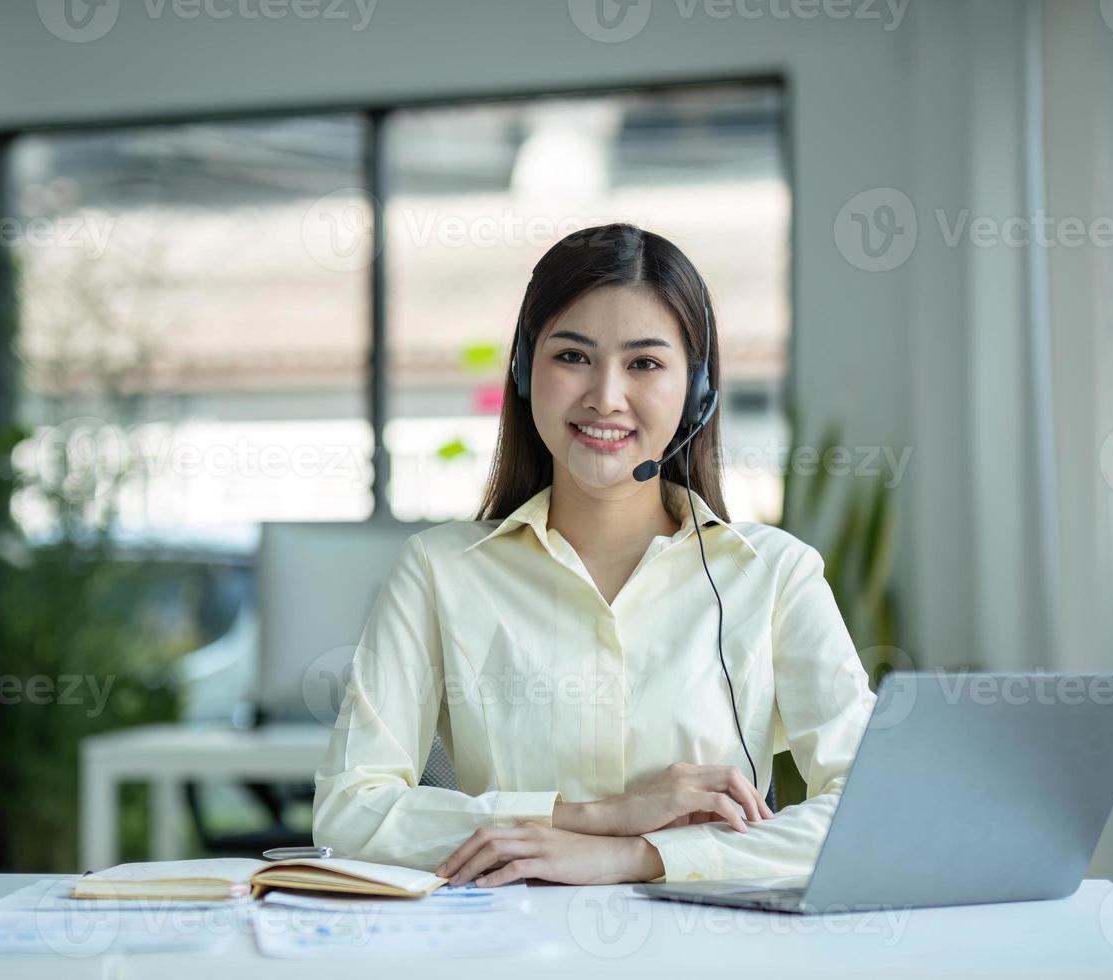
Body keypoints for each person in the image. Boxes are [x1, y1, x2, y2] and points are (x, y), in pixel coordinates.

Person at [311, 222, 877, 887]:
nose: (605, 396)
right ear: (525, 370)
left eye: (645, 363)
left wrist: (635, 856)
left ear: (697, 394)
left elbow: (874, 814)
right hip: (510, 950)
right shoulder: (440, 571)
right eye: (573, 356)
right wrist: (597, 816)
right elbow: (351, 813)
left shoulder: (774, 574)